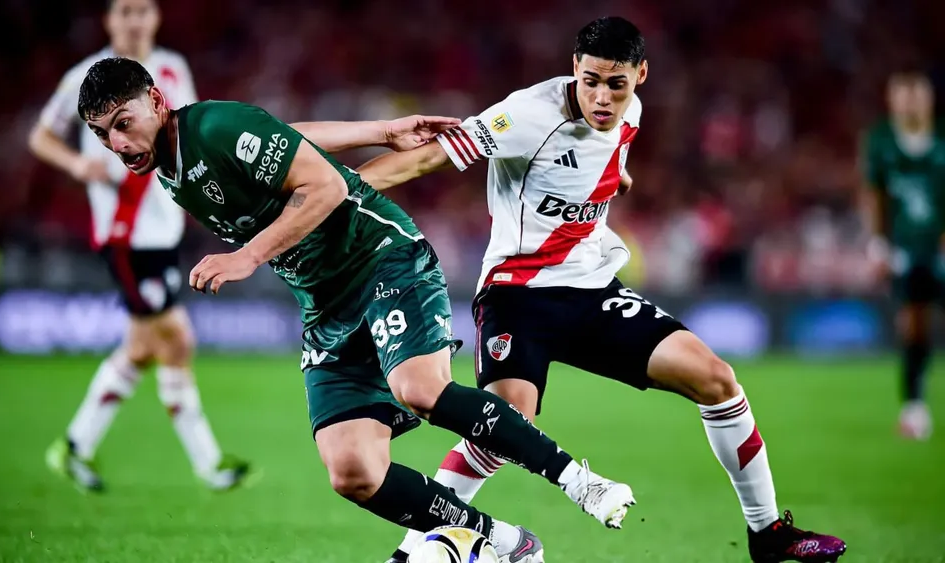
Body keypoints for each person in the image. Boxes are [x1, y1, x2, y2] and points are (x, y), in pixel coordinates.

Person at [75, 55, 642, 563]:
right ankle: (500, 543)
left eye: (124, 124)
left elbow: (327, 189)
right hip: (326, 304)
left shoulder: (212, 126)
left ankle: (579, 481)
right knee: (351, 470)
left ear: (156, 100)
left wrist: (247, 256)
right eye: (103, 136)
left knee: (419, 388)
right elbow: (282, 139)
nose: (118, 144)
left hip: (381, 259)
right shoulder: (169, 158)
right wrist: (378, 131)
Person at [357, 16, 848, 563]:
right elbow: (427, 157)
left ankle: (768, 534)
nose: (602, 96)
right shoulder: (525, 115)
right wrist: (341, 191)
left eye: (616, 84)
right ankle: (408, 554)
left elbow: (606, 157)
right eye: (590, 80)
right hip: (517, 295)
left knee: (718, 379)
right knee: (501, 428)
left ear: (641, 75)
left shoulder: (629, 113)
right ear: (574, 68)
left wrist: (621, 177)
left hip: (591, 290)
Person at [28, 0, 250, 492]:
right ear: (108, 20)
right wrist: (76, 165)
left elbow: (187, 130)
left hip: (163, 228)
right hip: (125, 234)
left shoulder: (172, 68)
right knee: (175, 340)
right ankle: (208, 465)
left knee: (145, 347)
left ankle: (75, 445)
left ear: (156, 17)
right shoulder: (85, 78)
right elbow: (41, 136)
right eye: (124, 11)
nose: (134, 20)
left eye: (142, 10)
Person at [862, 67, 944, 441]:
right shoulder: (881, 141)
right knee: (913, 323)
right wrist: (877, 242)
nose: (909, 100)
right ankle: (914, 407)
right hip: (908, 248)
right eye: (902, 92)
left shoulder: (942, 137)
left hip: (941, 242)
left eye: (916, 91)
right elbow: (874, 194)